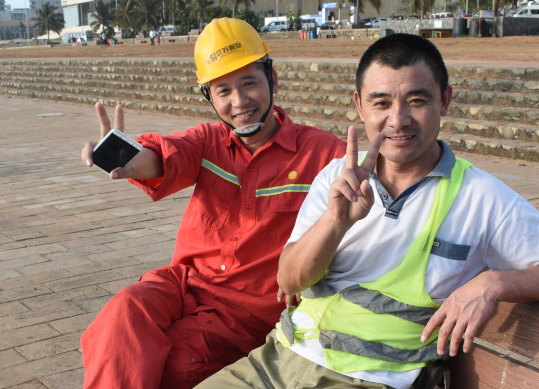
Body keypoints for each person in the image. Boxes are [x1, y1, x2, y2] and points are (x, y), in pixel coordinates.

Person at [195, 33, 539, 389]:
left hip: (363, 379)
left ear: (445, 101)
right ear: (360, 106)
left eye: (417, 101)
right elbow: (291, 279)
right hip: (275, 361)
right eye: (381, 103)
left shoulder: (482, 197)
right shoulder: (336, 176)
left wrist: (495, 283)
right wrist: (335, 223)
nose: (398, 121)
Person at [79, 18, 346, 389]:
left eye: (249, 83)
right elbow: (161, 156)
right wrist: (124, 158)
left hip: (246, 311)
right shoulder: (207, 143)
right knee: (119, 318)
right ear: (210, 97)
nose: (239, 102)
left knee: (177, 365)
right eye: (223, 90)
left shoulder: (324, 153)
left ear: (273, 80)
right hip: (183, 283)